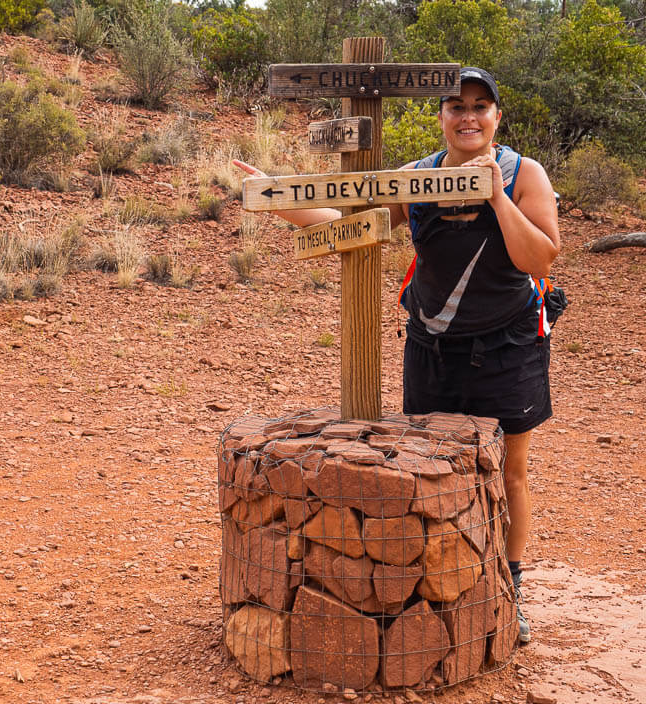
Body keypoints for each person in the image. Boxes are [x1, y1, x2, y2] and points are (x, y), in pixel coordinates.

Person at [235, 67, 560, 644]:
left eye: (480, 106)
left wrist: (495, 198)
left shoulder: (522, 174)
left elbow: (539, 258)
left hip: (509, 344)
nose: (468, 117)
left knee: (509, 470)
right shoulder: (417, 178)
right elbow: (351, 222)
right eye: (456, 106)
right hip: (432, 346)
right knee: (433, 467)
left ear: (496, 118)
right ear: (441, 117)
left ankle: (508, 588)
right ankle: (434, 586)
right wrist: (276, 195)